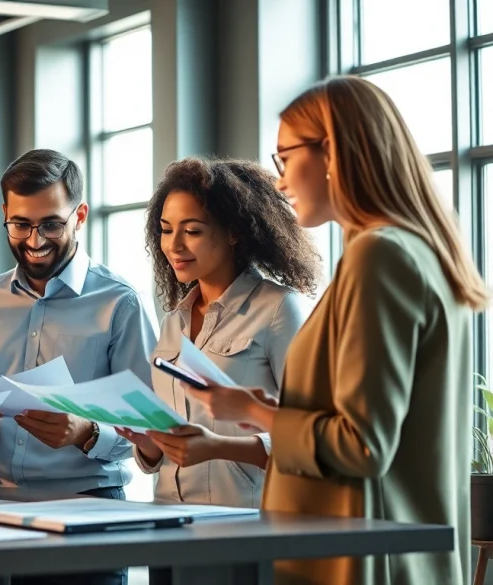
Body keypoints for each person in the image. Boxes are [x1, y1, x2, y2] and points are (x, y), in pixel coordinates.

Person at [186, 76, 488, 585]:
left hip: (360, 561)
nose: (279, 182)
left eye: (285, 158)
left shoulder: (380, 256)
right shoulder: (416, 252)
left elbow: (362, 445)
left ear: (334, 152)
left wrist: (252, 411)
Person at [0, 149, 158, 585]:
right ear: (5, 213)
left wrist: (87, 433)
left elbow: (148, 423)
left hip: (88, 511)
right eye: (20, 224)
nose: (35, 239)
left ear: (79, 215)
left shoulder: (119, 303)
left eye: (51, 224)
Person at [119, 158, 319, 509]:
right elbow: (166, 453)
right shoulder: (173, 321)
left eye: (192, 231)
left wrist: (218, 445)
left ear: (233, 232)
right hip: (168, 521)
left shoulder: (278, 309)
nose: (174, 246)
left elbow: (309, 437)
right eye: (166, 230)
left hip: (244, 524)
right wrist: (148, 442)